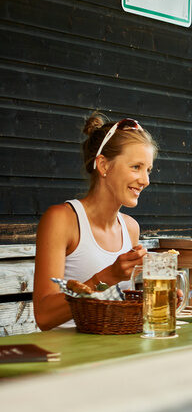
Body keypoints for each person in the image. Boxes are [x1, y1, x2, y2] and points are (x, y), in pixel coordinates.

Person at [32, 114, 156, 330]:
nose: (145, 180)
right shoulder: (62, 219)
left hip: (113, 349)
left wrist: (156, 301)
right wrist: (107, 277)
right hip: (67, 354)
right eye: (136, 167)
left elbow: (118, 307)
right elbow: (44, 316)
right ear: (103, 165)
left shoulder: (130, 228)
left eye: (148, 170)